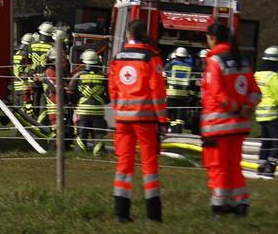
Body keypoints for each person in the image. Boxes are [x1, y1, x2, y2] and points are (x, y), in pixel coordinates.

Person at [108, 21, 169, 224]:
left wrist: (118, 111)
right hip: (145, 119)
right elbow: (157, 92)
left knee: (123, 166)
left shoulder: (117, 58)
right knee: (149, 166)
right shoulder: (151, 58)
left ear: (127, 35)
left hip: (123, 119)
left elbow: (113, 88)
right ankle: (153, 215)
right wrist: (162, 119)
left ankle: (121, 213)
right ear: (143, 35)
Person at [198, 20, 256, 218]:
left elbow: (218, 95)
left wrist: (238, 108)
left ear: (212, 38)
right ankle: (242, 204)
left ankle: (219, 208)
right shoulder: (243, 61)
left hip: (218, 127)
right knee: (233, 166)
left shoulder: (215, 62)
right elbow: (255, 92)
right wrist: (247, 108)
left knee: (218, 168)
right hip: (239, 127)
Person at [253, 45, 278, 178]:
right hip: (271, 113)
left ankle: (261, 165)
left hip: (259, 113)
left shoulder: (256, 75)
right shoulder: (273, 77)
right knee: (275, 142)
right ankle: (270, 167)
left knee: (265, 141)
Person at [75, 49, 109, 153]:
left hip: (83, 110)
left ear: (84, 62)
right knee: (99, 132)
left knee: (82, 132)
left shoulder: (78, 76)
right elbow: (109, 94)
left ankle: (80, 151)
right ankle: (98, 152)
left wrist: (75, 103)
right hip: (98, 111)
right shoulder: (103, 77)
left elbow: (71, 92)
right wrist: (102, 102)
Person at [164, 45, 197, 134]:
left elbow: (163, 78)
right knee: (179, 118)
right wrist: (191, 95)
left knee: (169, 116)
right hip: (183, 96)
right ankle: (177, 133)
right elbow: (192, 83)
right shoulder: (190, 68)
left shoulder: (169, 66)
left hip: (171, 94)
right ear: (185, 56)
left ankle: (167, 133)